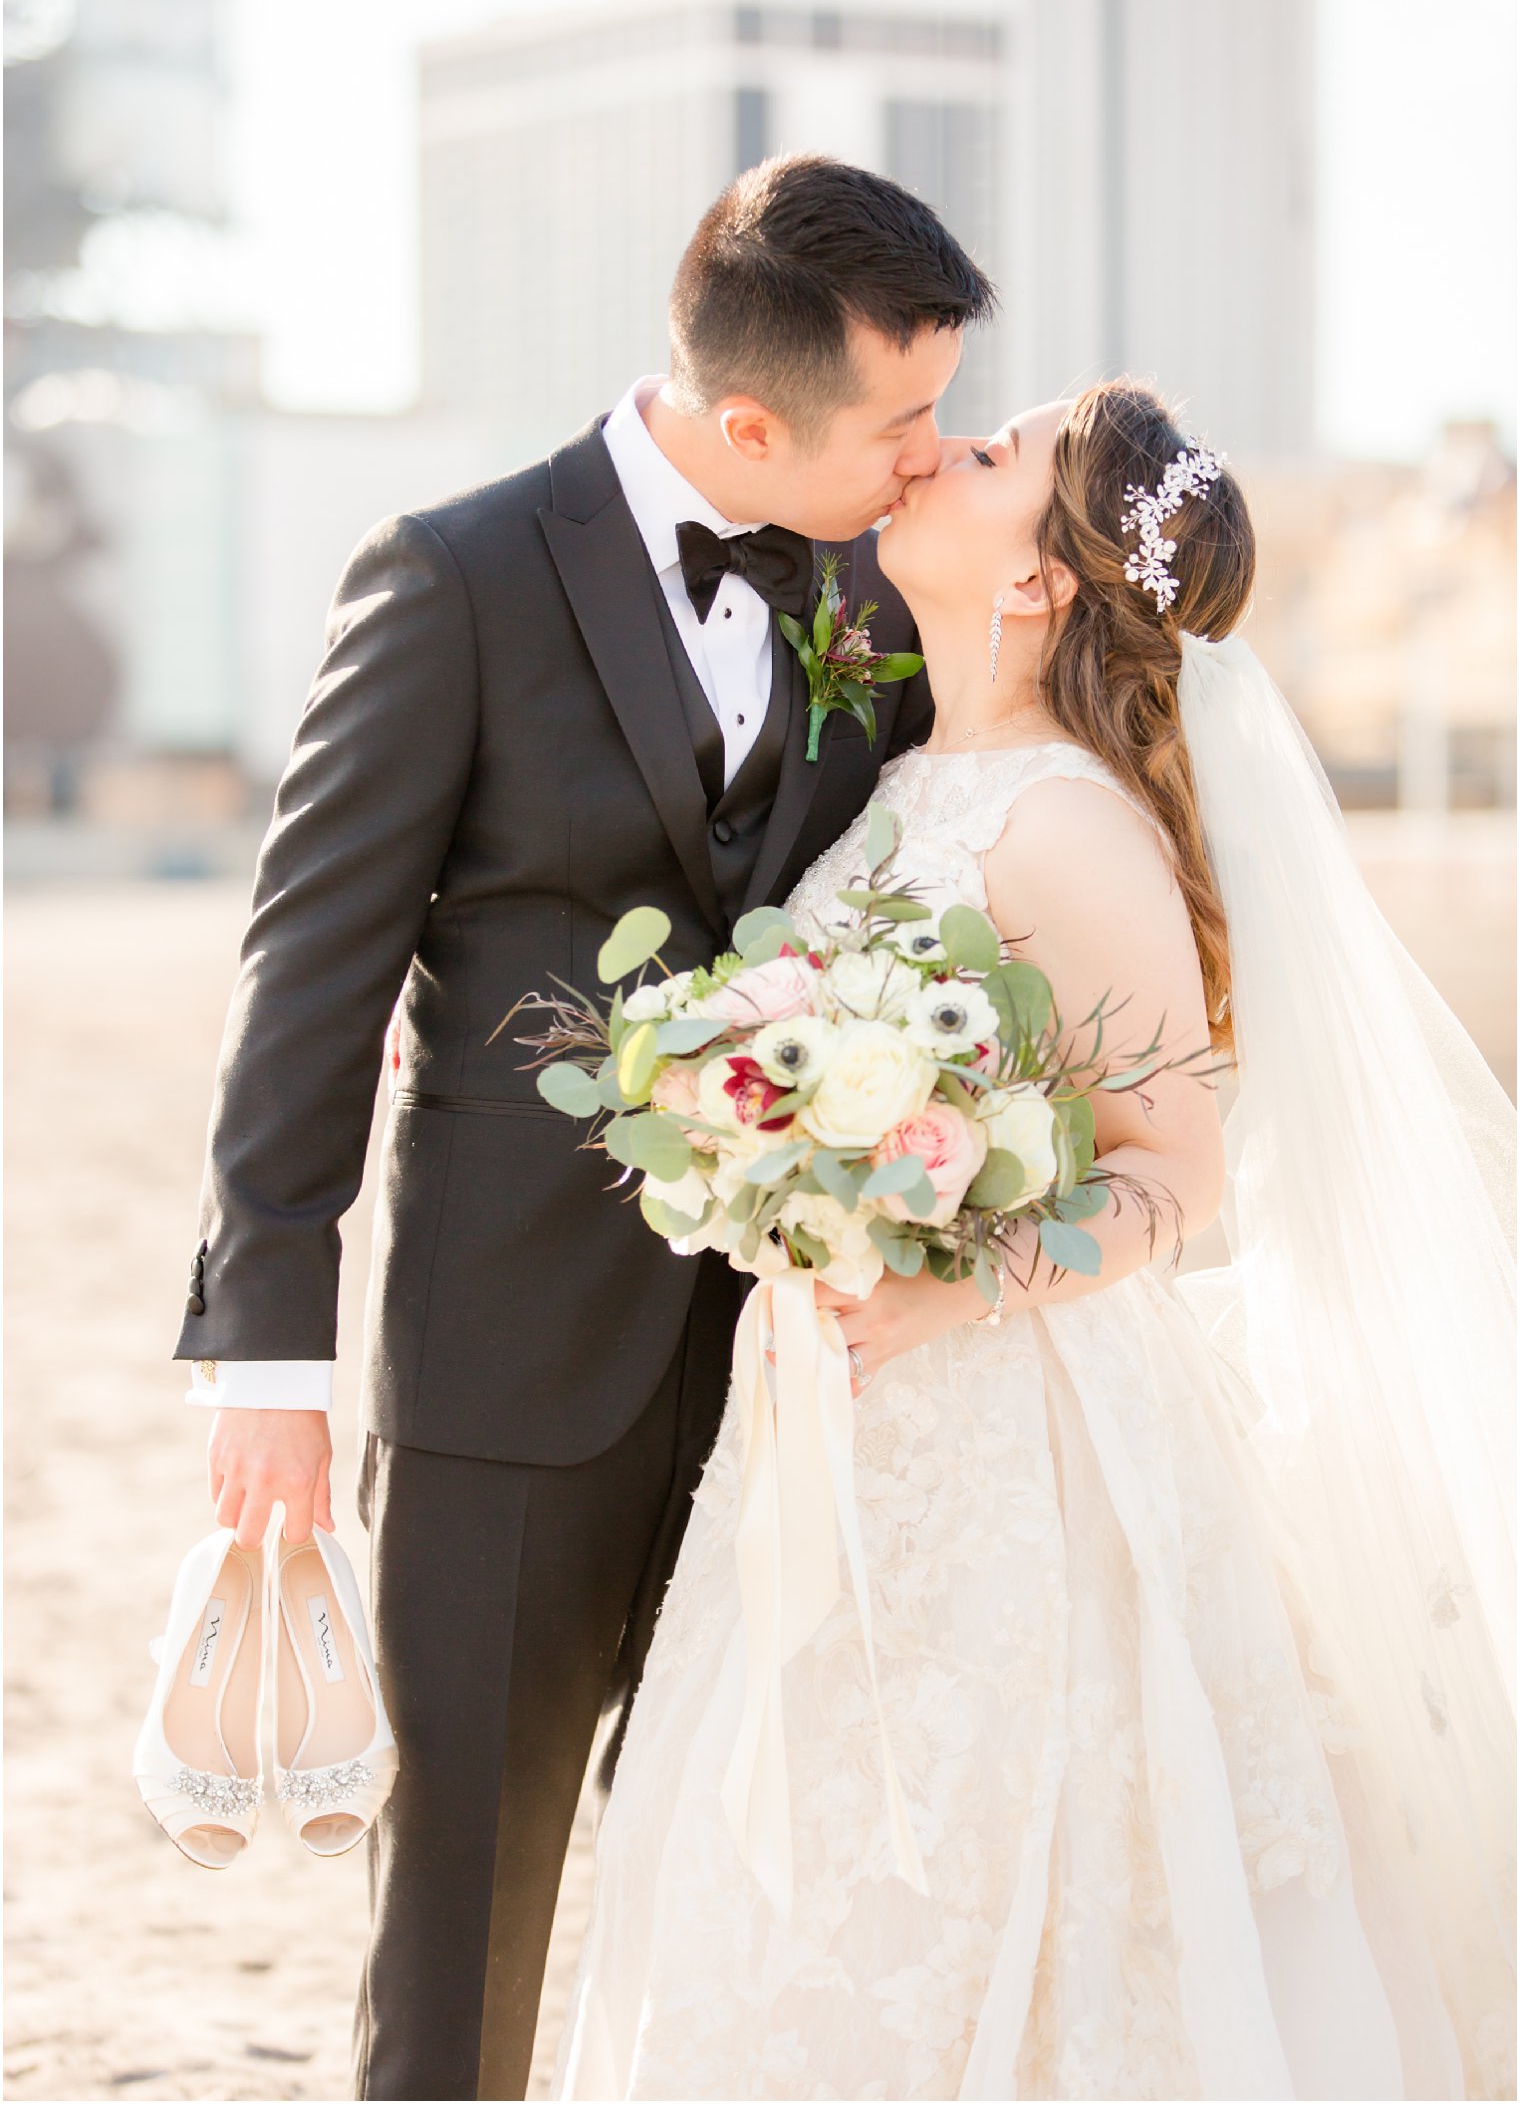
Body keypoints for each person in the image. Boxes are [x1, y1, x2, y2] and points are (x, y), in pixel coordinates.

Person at [550, 380, 1516, 2100]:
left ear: (1043, 584)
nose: (943, 446)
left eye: (995, 454)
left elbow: (1175, 1168)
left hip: (1024, 1441)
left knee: (1015, 1858)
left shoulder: (1065, 820)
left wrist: (953, 1286)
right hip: (831, 1425)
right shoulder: (918, 767)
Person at [168, 154, 997, 2099]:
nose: (927, 456)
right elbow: (309, 975)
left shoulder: (882, 589)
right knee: (467, 1890)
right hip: (508, 1358)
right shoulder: (452, 573)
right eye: (903, 419)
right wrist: (263, 1353)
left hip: (801, 1350)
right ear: (743, 420)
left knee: (751, 1877)